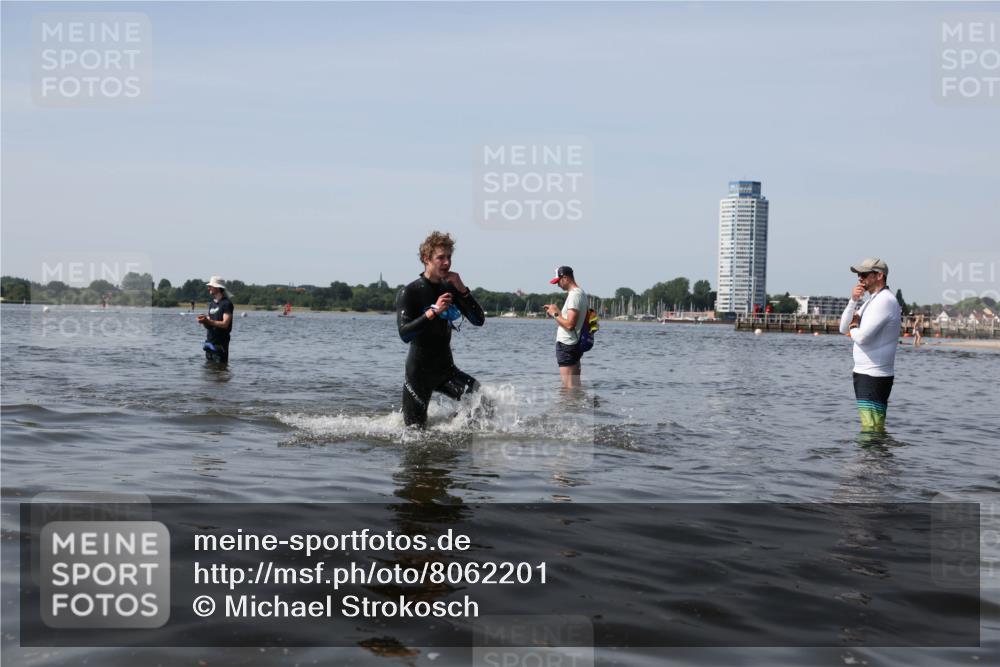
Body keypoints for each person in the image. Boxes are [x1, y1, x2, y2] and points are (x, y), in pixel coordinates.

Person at [396, 231, 486, 427]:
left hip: (446, 370)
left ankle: (452, 431)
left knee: (482, 402)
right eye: (441, 258)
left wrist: (463, 290)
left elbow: (478, 320)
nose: (447, 263)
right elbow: (404, 333)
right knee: (415, 431)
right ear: (426, 259)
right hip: (418, 373)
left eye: (449, 257)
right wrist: (433, 311)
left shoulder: (451, 288)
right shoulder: (410, 292)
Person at [838, 258, 901, 432]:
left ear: (879, 275)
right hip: (864, 373)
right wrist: (853, 301)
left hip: (875, 374)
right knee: (870, 426)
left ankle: (873, 458)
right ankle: (872, 458)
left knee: (872, 428)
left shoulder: (885, 301)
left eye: (864, 274)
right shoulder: (870, 301)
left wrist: (854, 326)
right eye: (859, 274)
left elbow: (862, 337)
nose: (859, 278)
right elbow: (843, 328)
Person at [544, 266, 587, 388]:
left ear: (565, 278)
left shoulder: (574, 295)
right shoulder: (581, 293)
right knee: (574, 386)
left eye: (558, 282)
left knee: (568, 387)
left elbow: (570, 324)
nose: (557, 285)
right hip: (574, 344)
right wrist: (557, 311)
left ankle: (570, 407)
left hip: (567, 345)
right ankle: (577, 407)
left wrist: (555, 314)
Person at [197, 276, 234, 364]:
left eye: (211, 286)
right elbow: (209, 325)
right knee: (209, 373)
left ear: (217, 287)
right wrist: (204, 321)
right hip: (209, 343)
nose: (208, 287)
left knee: (220, 373)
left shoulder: (227, 304)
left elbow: (225, 324)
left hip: (220, 344)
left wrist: (208, 321)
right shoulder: (212, 304)